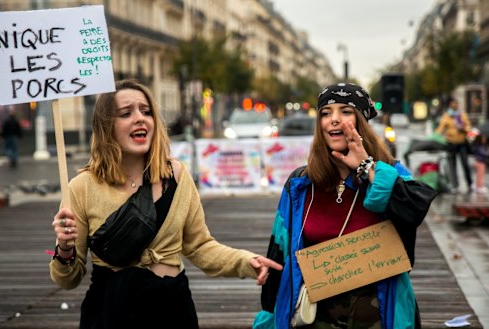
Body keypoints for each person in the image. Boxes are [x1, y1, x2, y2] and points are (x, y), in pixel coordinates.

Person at [49, 79, 282, 328]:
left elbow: (200, 246)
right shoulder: (82, 186)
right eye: (126, 113)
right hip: (112, 309)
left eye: (146, 111)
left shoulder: (177, 175)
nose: (140, 118)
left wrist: (246, 262)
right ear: (107, 126)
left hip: (172, 307)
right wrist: (64, 248)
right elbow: (67, 280)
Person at [254, 83, 436, 329]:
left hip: (379, 314)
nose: (334, 120)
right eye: (326, 113)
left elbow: (414, 208)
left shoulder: (388, 172)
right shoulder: (300, 183)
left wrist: (367, 167)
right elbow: (279, 249)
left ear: (361, 120)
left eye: (346, 111)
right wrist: (269, 313)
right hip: (314, 316)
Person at [436, 97, 473, 193]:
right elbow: (440, 129)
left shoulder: (462, 115)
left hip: (462, 143)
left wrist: (464, 129)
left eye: (456, 103)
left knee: (465, 164)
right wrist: (435, 137)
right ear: (450, 105)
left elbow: (468, 126)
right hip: (451, 143)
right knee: (453, 165)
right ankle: (455, 185)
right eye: (453, 104)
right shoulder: (446, 116)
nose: (455, 105)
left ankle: (470, 184)